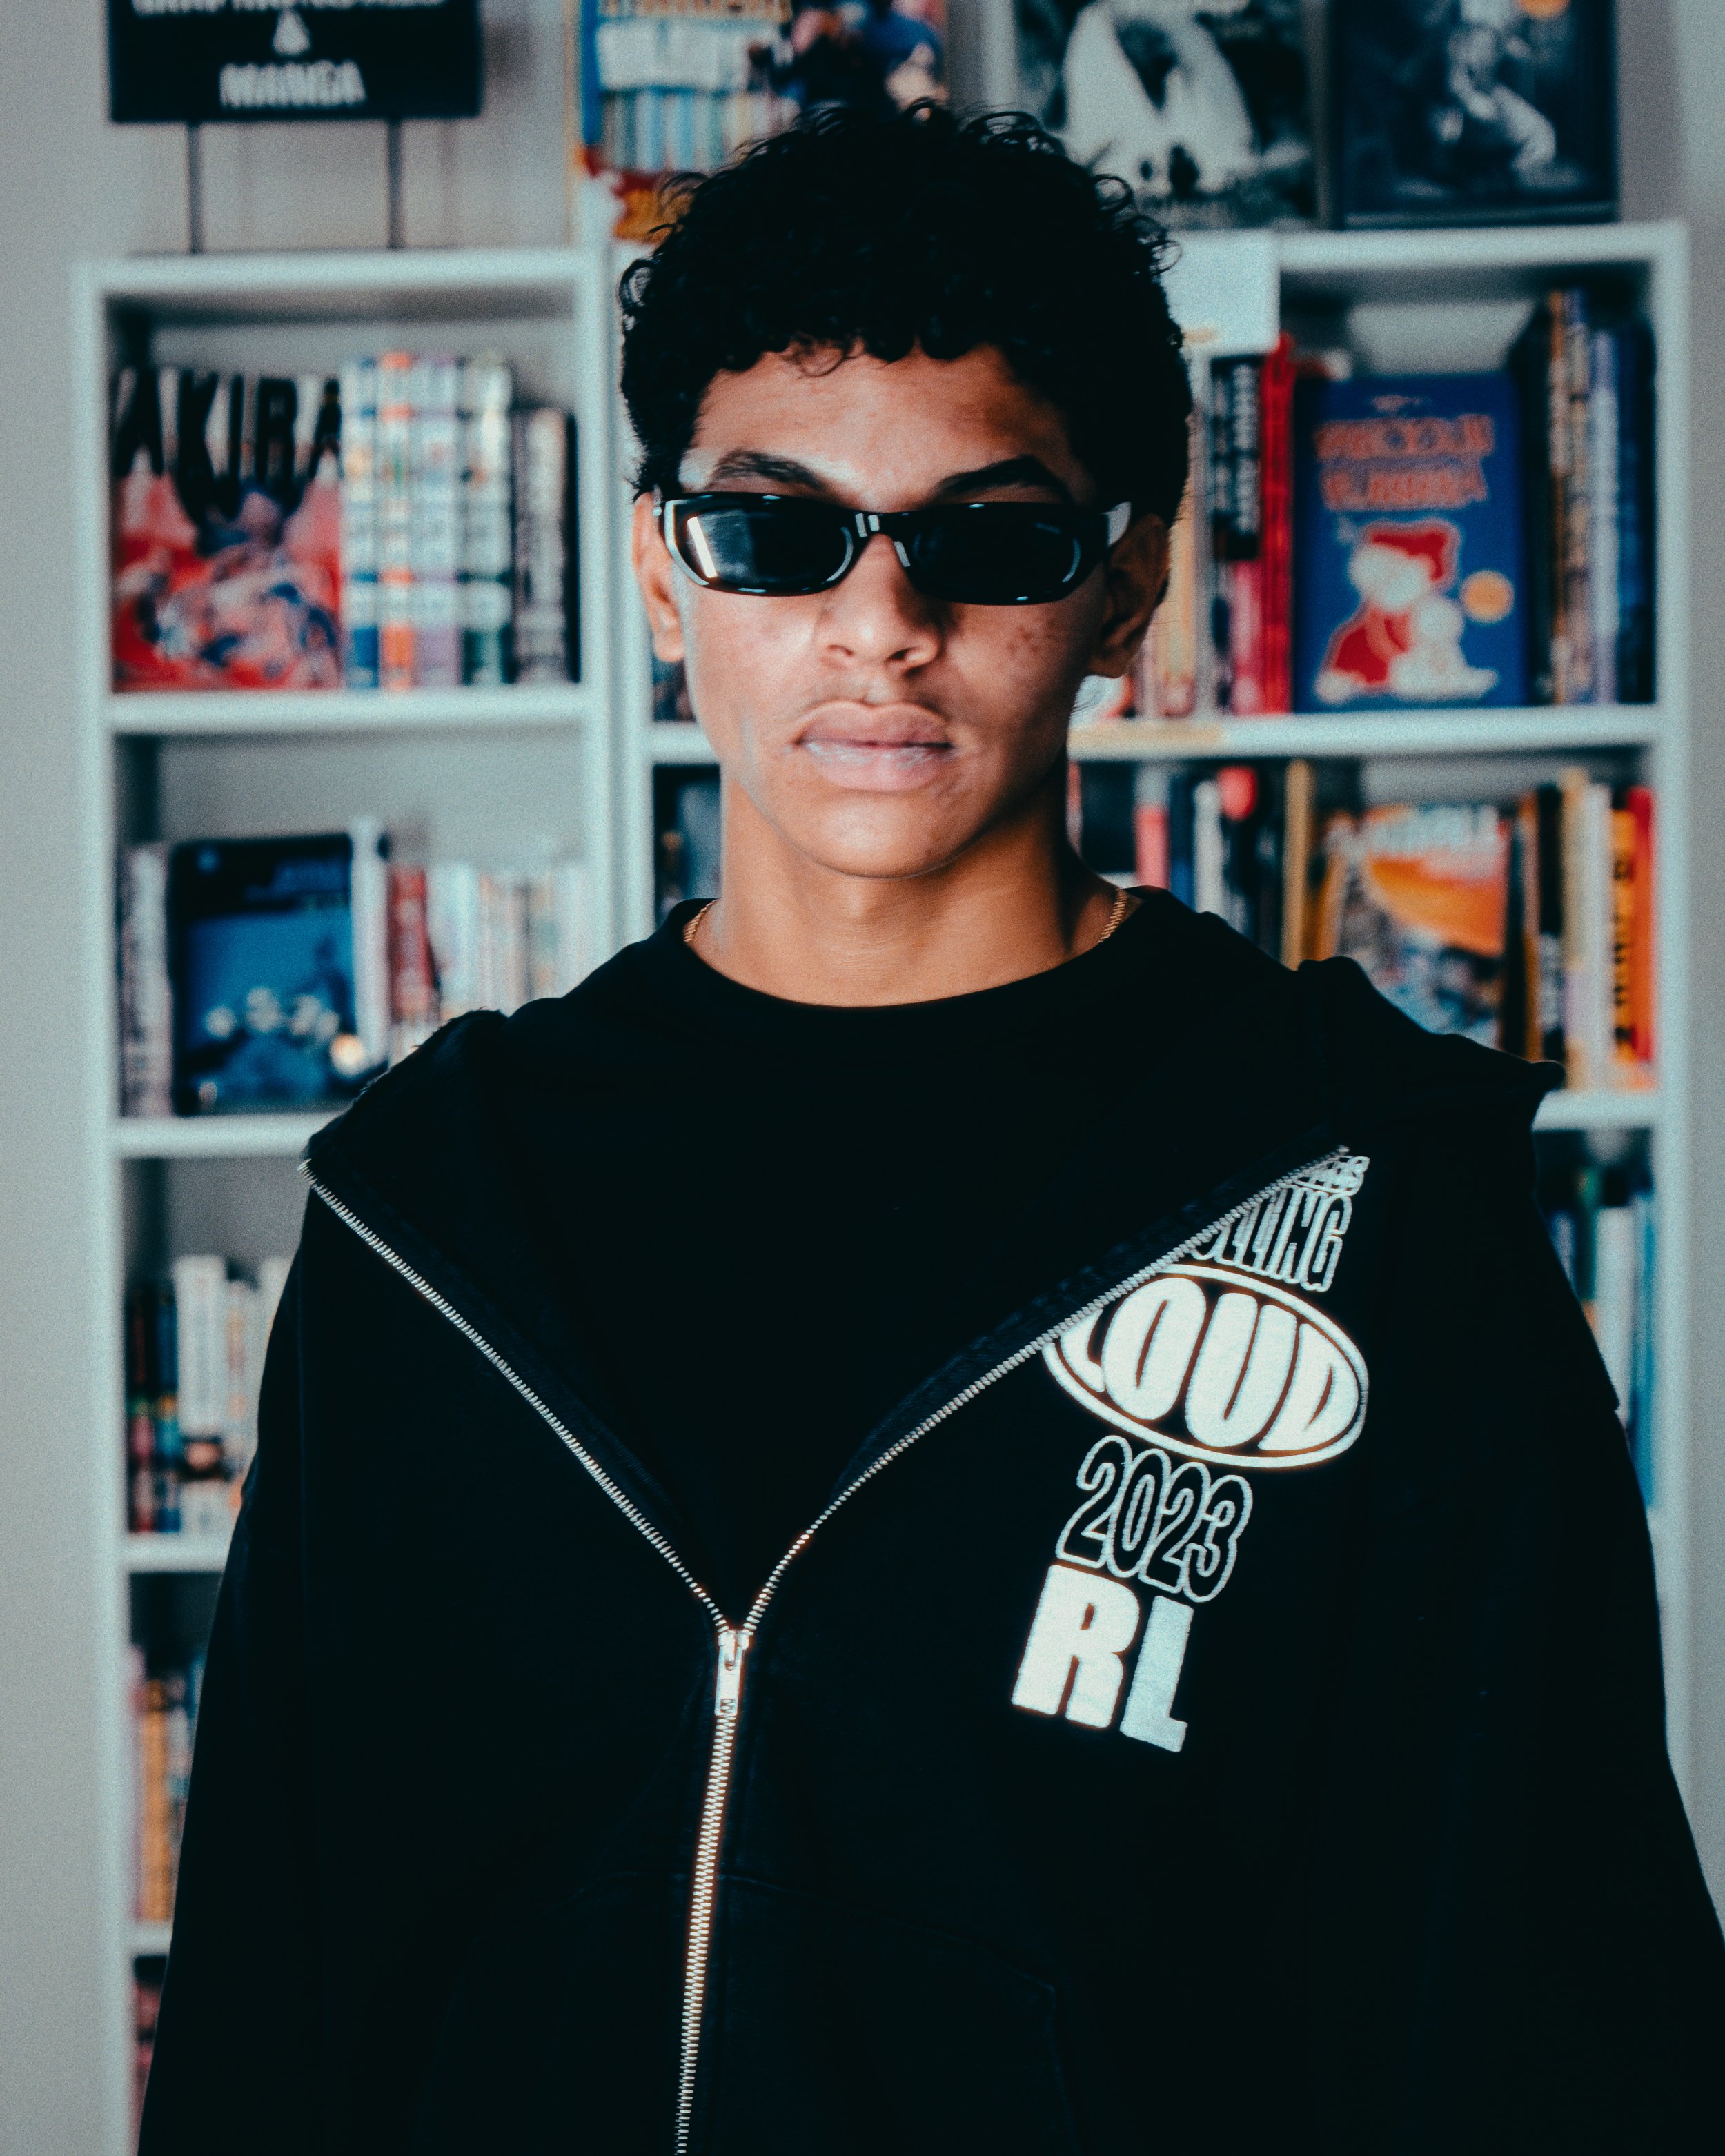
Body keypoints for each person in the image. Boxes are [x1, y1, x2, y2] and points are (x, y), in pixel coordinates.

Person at [140, 105, 1722, 2155]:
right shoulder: (433, 1207)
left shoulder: (1375, 1193)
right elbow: (276, 1971)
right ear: (662, 573)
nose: (878, 622)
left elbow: (1558, 2003)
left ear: (1127, 582)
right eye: (774, 533)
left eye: (986, 537)